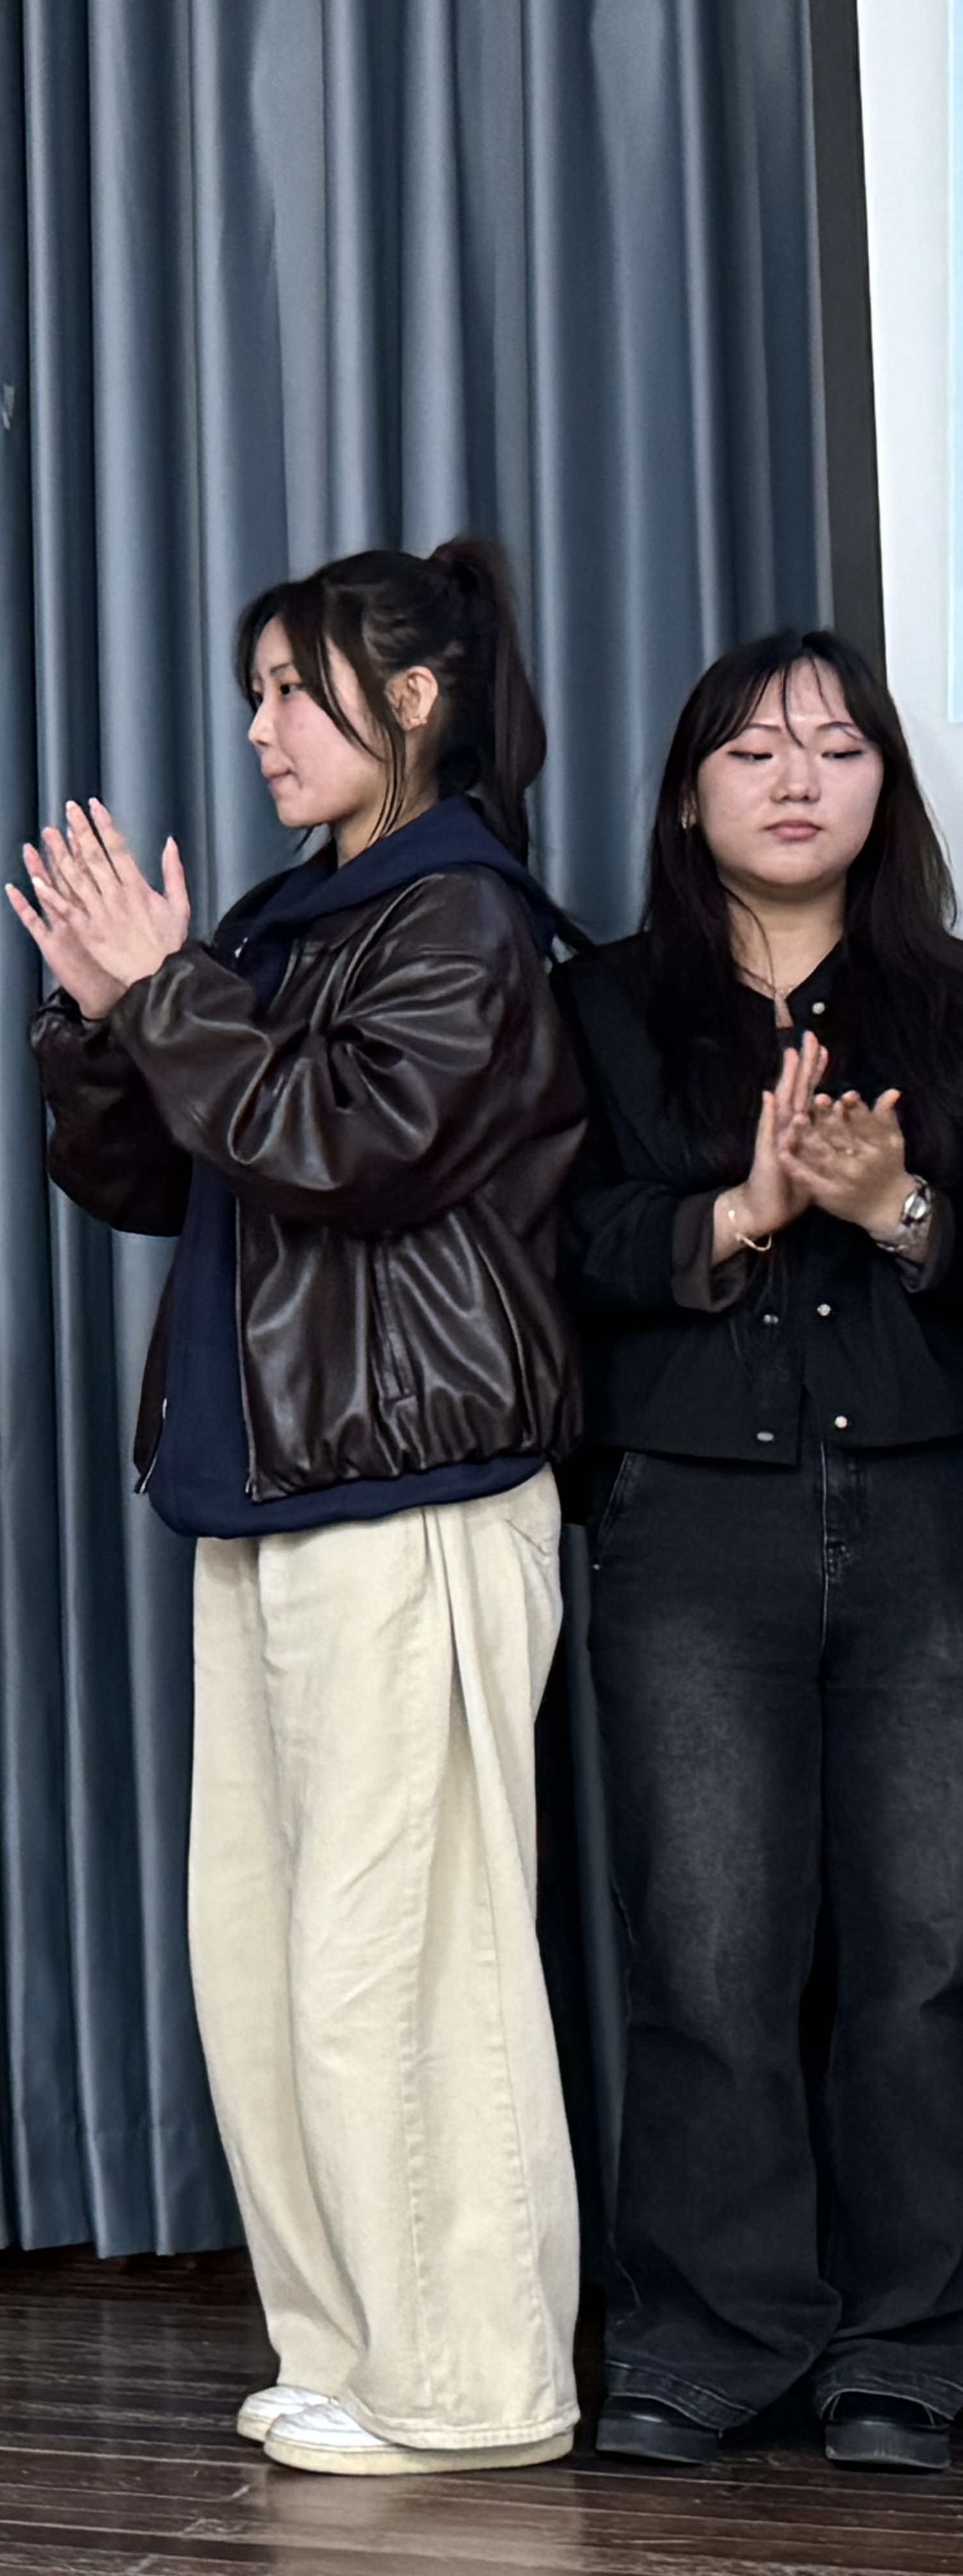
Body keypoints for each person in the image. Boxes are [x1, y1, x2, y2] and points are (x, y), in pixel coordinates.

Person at [15, 539, 588, 2476]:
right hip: (267, 1488)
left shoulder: (465, 919)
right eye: (253, 688)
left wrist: (168, 989)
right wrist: (103, 1015)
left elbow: (346, 1144)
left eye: (293, 687)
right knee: (263, 1959)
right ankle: (346, 2343)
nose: (257, 727)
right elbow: (143, 1171)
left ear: (408, 698)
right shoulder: (287, 920)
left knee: (400, 1950)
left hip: (409, 1491)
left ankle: (478, 2381)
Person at [556, 630, 963, 2476]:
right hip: (690, 1511)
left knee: (929, 1950)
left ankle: (915, 2348)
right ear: (691, 788)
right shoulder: (605, 1007)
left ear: (886, 782)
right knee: (706, 1949)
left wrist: (904, 1214)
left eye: (836, 744)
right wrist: (737, 1208)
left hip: (929, 1513)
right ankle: (712, 2339)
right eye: (751, 748)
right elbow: (555, 1250)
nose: (797, 777)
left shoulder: (950, 1002)